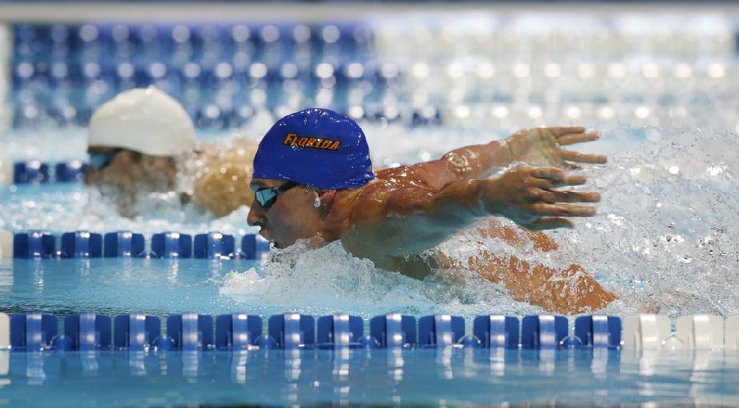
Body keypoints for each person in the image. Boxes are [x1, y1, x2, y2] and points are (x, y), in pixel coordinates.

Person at [247, 108, 615, 314]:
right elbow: (453, 166)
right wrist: (515, 146)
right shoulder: (381, 182)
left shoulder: (367, 220)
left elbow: (423, 211)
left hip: (573, 312)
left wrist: (488, 198)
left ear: (322, 193)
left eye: (265, 197)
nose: (252, 216)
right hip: (550, 270)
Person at [85, 86, 257, 217]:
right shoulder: (183, 188)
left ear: (148, 159)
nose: (89, 177)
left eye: (99, 159)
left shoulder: (226, 186)